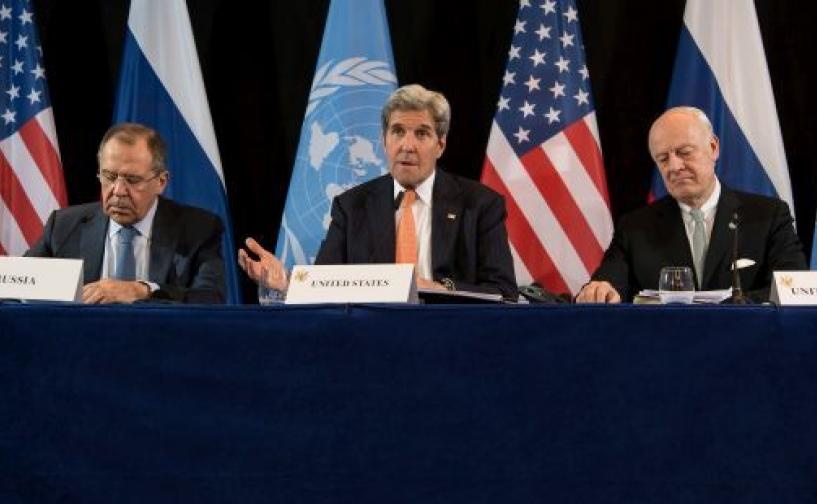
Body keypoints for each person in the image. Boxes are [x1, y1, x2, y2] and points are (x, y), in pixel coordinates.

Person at [239, 84, 518, 300]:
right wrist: (287, 284)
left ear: (441, 145)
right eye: (398, 131)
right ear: (384, 141)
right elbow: (323, 283)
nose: (407, 146)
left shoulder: (480, 204)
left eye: (422, 134)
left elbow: (504, 292)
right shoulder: (352, 206)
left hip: (450, 335)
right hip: (370, 338)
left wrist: (440, 289)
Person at [577, 106, 807, 303]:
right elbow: (607, 284)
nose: (674, 166)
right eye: (663, 158)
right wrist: (599, 290)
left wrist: (725, 309)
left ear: (713, 147)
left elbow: (793, 289)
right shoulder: (635, 228)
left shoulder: (768, 216)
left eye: (684, 152)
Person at [26, 123, 225, 304]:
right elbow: (16, 285)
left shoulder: (198, 230)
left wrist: (142, 290)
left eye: (133, 180)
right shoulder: (64, 226)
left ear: (161, 182)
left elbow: (210, 299)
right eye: (109, 176)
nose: (119, 190)